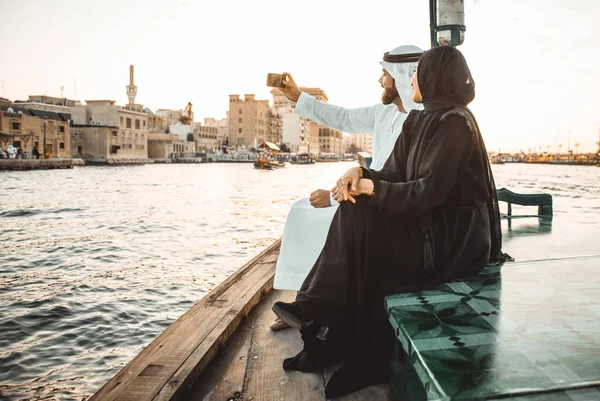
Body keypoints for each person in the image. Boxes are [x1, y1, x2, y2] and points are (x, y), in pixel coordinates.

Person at [272, 45, 509, 398]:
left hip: (454, 243)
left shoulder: (456, 123)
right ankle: (329, 327)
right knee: (356, 209)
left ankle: (323, 319)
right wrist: (360, 173)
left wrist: (373, 188)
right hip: (429, 228)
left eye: (419, 72)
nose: (412, 78)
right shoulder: (420, 119)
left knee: (368, 246)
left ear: (433, 77)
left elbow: (427, 193)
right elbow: (392, 174)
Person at [271, 45, 423, 330]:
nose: (380, 81)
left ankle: (311, 305)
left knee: (312, 218)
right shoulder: (384, 113)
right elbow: (342, 117)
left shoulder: (420, 121)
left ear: (402, 77)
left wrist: (332, 197)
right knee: (300, 209)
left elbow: (399, 178)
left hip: (385, 205)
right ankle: (301, 299)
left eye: (385, 74)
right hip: (364, 192)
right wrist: (296, 96)